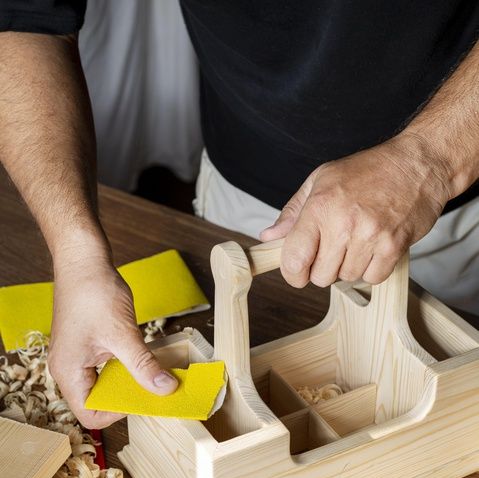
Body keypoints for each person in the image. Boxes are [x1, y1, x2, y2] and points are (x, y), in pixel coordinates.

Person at [0, 2, 478, 429]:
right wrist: (77, 255)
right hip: (242, 191)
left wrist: (427, 161)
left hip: (456, 184)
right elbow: (24, 20)